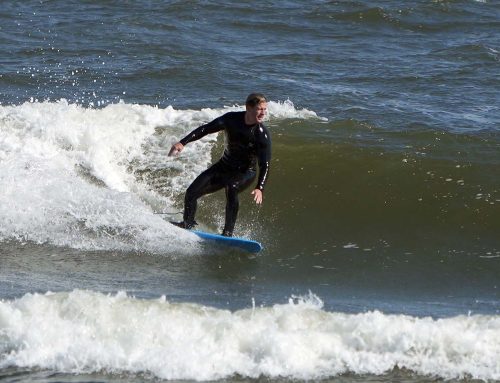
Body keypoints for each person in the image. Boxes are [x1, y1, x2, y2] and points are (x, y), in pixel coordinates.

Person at [168, 93, 271, 237]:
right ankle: (187, 223)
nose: (263, 113)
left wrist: (260, 187)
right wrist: (182, 142)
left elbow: (265, 164)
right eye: (260, 109)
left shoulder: (261, 134)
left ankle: (227, 233)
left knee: (232, 187)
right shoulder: (231, 119)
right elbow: (206, 129)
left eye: (265, 109)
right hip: (224, 167)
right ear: (248, 107)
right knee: (191, 192)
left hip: (245, 172)